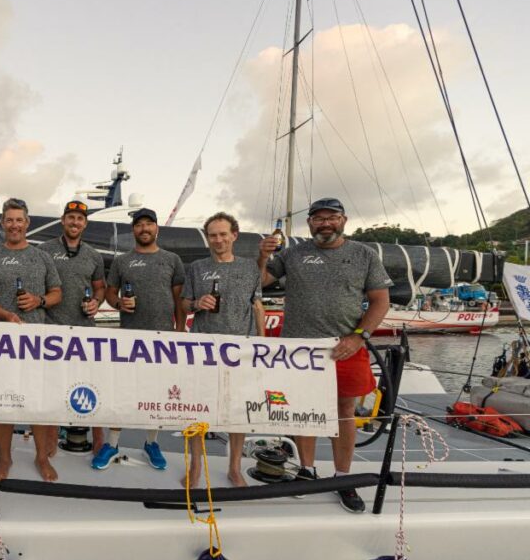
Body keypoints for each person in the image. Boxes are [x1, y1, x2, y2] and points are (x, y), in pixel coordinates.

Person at [258, 198, 392, 514]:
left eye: (331, 217)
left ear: (343, 219)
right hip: (299, 348)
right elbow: (262, 281)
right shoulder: (293, 253)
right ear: (310, 224)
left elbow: (380, 301)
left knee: (344, 409)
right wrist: (262, 257)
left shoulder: (364, 255)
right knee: (303, 408)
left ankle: (343, 478)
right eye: (318, 218)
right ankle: (307, 470)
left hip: (345, 345)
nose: (325, 223)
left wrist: (360, 337)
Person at [93, 207, 186, 471]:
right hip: (129, 339)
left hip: (163, 340)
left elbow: (179, 298)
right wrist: (119, 303)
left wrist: (179, 333)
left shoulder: (172, 259)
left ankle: (151, 442)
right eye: (139, 225)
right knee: (121, 392)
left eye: (149, 224)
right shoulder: (123, 261)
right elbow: (110, 294)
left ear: (157, 228)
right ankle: (112, 443)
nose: (144, 229)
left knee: (156, 393)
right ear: (133, 230)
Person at [0, 198, 63, 482]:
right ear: (2, 223)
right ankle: (5, 458)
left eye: (19, 220)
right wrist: (6, 314)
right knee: (4, 402)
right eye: (9, 220)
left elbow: (56, 293)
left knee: (36, 402)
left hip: (35, 341)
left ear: (27, 223)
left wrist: (38, 300)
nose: (14, 225)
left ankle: (40, 457)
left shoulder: (42, 257)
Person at [183, 211, 265, 487]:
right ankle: (196, 466)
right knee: (197, 409)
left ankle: (234, 467)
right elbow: (184, 305)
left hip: (241, 349)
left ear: (234, 235)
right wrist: (196, 304)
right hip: (203, 348)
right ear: (207, 238)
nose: (218, 240)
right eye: (213, 235)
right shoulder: (196, 268)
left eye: (222, 234)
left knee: (237, 411)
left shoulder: (250, 268)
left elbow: (257, 306)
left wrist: (263, 345)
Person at [37, 199, 107, 451]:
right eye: (70, 217)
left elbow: (100, 287)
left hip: (85, 330)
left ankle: (99, 442)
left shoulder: (94, 255)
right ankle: (50, 444)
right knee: (53, 388)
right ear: (63, 220)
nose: (74, 222)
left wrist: (97, 303)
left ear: (85, 224)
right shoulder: (44, 249)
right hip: (52, 328)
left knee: (91, 384)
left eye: (79, 219)